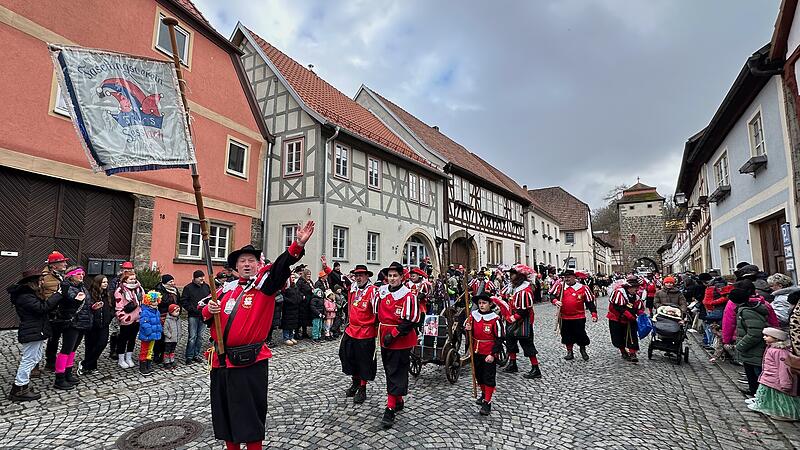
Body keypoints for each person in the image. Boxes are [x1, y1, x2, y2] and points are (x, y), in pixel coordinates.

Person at [203, 220, 314, 450]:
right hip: (221, 362)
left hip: (250, 361)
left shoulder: (264, 285)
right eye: (242, 261)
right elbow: (204, 311)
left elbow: (280, 268)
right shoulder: (226, 288)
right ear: (235, 267)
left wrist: (296, 246)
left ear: (257, 264)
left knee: (250, 416)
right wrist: (209, 310)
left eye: (251, 261)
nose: (246, 264)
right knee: (225, 416)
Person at [376, 261, 422, 429]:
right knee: (389, 369)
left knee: (396, 370)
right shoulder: (382, 292)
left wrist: (393, 335)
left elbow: (410, 321)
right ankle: (399, 399)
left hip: (400, 339)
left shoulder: (408, 295)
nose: (392, 278)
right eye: (390, 276)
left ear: (402, 277)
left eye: (395, 275)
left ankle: (390, 408)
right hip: (384, 337)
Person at [8, 268, 61, 401]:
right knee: (29, 359)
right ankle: (19, 388)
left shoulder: (30, 294)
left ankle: (22, 385)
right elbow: (41, 308)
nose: (42, 282)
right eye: (40, 280)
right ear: (33, 282)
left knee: (35, 357)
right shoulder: (25, 296)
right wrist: (58, 294)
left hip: (37, 329)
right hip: (32, 330)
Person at [339, 264, 379, 404]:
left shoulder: (373, 291)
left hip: (366, 332)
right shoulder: (353, 290)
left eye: (361, 275)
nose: (358, 278)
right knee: (347, 355)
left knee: (364, 362)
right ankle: (355, 382)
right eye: (356, 275)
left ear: (367, 276)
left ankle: (362, 388)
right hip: (351, 330)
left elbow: (377, 312)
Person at [746, 327, 800, 420]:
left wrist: (786, 383)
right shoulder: (772, 348)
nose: (764, 337)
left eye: (767, 336)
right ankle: (767, 406)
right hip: (770, 378)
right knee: (771, 396)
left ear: (777, 338)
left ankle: (785, 414)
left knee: (781, 398)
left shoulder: (780, 352)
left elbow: (784, 369)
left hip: (776, 380)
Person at [53, 266, 92, 389]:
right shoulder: (66, 287)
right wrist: (77, 300)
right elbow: (69, 301)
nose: (81, 276)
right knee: (66, 349)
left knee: (73, 349)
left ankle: (68, 373)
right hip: (71, 323)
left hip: (81, 322)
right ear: (71, 275)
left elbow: (86, 303)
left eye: (83, 274)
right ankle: (59, 377)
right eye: (79, 274)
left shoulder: (82, 287)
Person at [465, 293, 504, 416]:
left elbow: (499, 338)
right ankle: (483, 393)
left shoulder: (495, 319)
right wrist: (467, 328)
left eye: (484, 303)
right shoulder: (473, 316)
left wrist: (493, 354)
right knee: (478, 375)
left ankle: (487, 402)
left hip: (489, 353)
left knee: (488, 377)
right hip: (476, 351)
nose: (481, 305)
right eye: (480, 303)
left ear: (490, 304)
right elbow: (466, 330)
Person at [502, 264, 541, 379]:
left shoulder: (525, 290)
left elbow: (524, 310)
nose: (510, 276)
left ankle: (535, 368)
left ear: (519, 276)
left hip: (523, 321)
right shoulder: (513, 287)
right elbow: (504, 296)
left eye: (512, 274)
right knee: (510, 341)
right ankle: (513, 364)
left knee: (527, 344)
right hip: (511, 318)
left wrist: (513, 318)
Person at [733, 283, 771, 395]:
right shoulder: (744, 309)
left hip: (754, 347)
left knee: (757, 371)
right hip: (750, 349)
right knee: (750, 369)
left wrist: (741, 345)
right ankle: (754, 391)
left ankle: (760, 394)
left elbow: (755, 332)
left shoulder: (747, 311)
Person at [551, 270, 597, 361]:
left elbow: (590, 302)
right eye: (565, 277)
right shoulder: (560, 286)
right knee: (566, 335)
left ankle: (583, 350)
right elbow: (552, 295)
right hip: (564, 316)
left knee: (580, 334)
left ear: (574, 277)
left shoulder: (583, 288)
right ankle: (569, 352)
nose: (566, 279)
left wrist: (594, 314)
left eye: (568, 277)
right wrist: (556, 301)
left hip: (578, 316)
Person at [607, 275, 645, 362]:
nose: (637, 289)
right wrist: (627, 314)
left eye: (637, 287)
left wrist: (641, 314)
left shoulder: (637, 296)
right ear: (629, 287)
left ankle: (632, 353)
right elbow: (617, 306)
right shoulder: (619, 293)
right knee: (618, 336)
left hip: (630, 320)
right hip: (616, 319)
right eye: (635, 287)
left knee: (632, 336)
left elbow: (639, 308)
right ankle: (623, 351)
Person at [81, 275, 113, 375]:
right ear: (98, 283)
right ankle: (91, 367)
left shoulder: (107, 294)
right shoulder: (90, 294)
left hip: (104, 324)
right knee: (91, 345)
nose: (106, 284)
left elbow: (112, 308)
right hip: (92, 324)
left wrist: (109, 317)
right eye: (104, 282)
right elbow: (86, 308)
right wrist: (93, 309)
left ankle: (85, 364)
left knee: (102, 344)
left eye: (106, 282)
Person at [43, 251, 69, 372]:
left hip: (64, 311)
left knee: (63, 337)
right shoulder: (44, 277)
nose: (65, 263)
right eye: (62, 262)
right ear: (54, 265)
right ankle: (50, 362)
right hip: (52, 313)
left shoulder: (63, 275)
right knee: (53, 338)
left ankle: (63, 360)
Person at [181, 270, 211, 365]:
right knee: (192, 337)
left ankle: (196, 355)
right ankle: (189, 356)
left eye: (203, 276)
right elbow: (184, 301)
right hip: (193, 316)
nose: (202, 278)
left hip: (203, 315)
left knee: (200, 337)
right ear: (194, 278)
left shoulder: (206, 287)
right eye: (200, 277)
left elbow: (209, 298)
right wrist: (192, 310)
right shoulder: (188, 288)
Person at [114, 271, 143, 369]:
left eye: (134, 278)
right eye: (131, 279)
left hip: (137, 318)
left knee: (132, 339)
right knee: (123, 339)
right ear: (125, 279)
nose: (133, 280)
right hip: (127, 319)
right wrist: (123, 318)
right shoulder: (120, 290)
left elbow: (143, 301)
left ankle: (129, 357)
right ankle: (121, 359)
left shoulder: (139, 288)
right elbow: (118, 307)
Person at [153, 274, 178, 364]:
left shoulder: (174, 290)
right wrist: (170, 296)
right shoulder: (159, 290)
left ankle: (165, 354)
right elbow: (162, 302)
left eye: (173, 281)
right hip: (162, 315)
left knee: (168, 338)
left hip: (172, 317)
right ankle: (156, 354)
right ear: (165, 282)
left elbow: (178, 301)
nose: (172, 283)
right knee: (160, 337)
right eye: (170, 282)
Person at [138, 291, 163, 375]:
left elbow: (157, 322)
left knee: (150, 350)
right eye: (153, 301)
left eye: (156, 301)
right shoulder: (145, 311)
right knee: (144, 350)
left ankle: (148, 365)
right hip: (147, 335)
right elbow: (144, 323)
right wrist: (149, 332)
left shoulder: (156, 311)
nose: (155, 303)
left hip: (153, 335)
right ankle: (142, 367)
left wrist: (158, 331)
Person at [280, 272, 302, 345]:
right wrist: (291, 301)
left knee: (293, 324)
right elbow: (283, 296)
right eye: (292, 277)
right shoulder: (286, 287)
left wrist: (299, 299)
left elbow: (299, 294)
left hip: (295, 308)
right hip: (288, 308)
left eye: (294, 278)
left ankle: (291, 336)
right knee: (287, 324)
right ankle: (286, 337)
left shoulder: (295, 286)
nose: (293, 279)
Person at [163, 304, 181, 369]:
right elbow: (165, 329)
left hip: (175, 338)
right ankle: (166, 361)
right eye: (176, 311)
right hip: (169, 339)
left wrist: (179, 335)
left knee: (172, 350)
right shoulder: (168, 320)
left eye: (178, 311)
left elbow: (179, 328)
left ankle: (172, 360)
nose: (178, 313)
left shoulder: (178, 319)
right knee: (167, 350)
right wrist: (169, 336)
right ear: (171, 312)